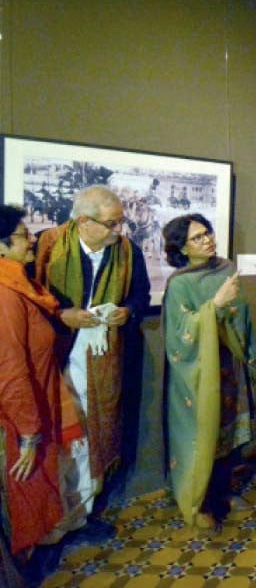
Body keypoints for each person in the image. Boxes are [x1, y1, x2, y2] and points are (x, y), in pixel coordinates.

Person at [34, 185, 151, 543]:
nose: (119, 232)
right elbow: (30, 295)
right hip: (54, 357)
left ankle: (83, 513)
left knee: (93, 435)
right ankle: (52, 523)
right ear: (84, 221)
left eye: (121, 223)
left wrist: (126, 311)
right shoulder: (48, 245)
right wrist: (62, 314)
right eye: (111, 224)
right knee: (60, 437)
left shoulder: (128, 251)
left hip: (103, 360)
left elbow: (140, 295)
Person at [162, 213, 256, 532]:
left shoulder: (227, 268)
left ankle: (226, 490)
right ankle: (200, 500)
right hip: (200, 373)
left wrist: (233, 321)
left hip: (230, 363)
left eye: (208, 233)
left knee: (230, 432)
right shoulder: (180, 283)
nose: (208, 240)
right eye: (198, 237)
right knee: (203, 431)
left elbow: (242, 314)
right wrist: (214, 306)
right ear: (182, 248)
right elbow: (179, 334)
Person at [0, 205, 71, 585]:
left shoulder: (21, 284)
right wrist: (28, 433)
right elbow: (9, 371)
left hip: (34, 404)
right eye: (24, 236)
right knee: (23, 498)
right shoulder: (5, 294)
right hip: (18, 420)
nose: (32, 241)